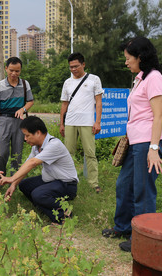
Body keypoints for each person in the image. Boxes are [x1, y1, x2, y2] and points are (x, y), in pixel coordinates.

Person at [102, 37, 162, 253]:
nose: (126, 62)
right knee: (124, 185)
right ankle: (122, 227)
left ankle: (142, 237)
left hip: (148, 142)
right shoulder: (141, 78)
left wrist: (154, 148)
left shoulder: (155, 79)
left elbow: (158, 116)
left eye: (128, 58)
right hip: (135, 141)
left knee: (142, 190)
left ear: (140, 57)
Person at [0, 116, 78, 223]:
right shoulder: (36, 147)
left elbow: (33, 163)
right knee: (24, 185)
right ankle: (45, 207)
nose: (25, 139)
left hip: (67, 184)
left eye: (27, 135)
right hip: (51, 180)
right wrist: (14, 184)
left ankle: (64, 214)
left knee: (38, 194)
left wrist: (11, 178)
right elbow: (27, 164)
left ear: (38, 133)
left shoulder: (54, 144)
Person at [59, 52, 103, 193]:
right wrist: (61, 123)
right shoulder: (67, 82)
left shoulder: (94, 80)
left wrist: (97, 122)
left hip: (87, 122)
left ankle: (93, 183)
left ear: (83, 64)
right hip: (70, 122)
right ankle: (67, 180)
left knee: (90, 153)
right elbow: (64, 105)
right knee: (67, 153)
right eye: (71, 67)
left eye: (76, 66)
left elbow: (98, 102)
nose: (74, 69)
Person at [0, 57, 34, 176]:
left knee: (17, 154)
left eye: (17, 71)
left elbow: (30, 101)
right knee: (1, 153)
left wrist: (22, 109)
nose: (14, 73)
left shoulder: (25, 84)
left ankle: (14, 181)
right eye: (11, 70)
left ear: (20, 70)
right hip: (4, 120)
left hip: (20, 122)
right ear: (6, 69)